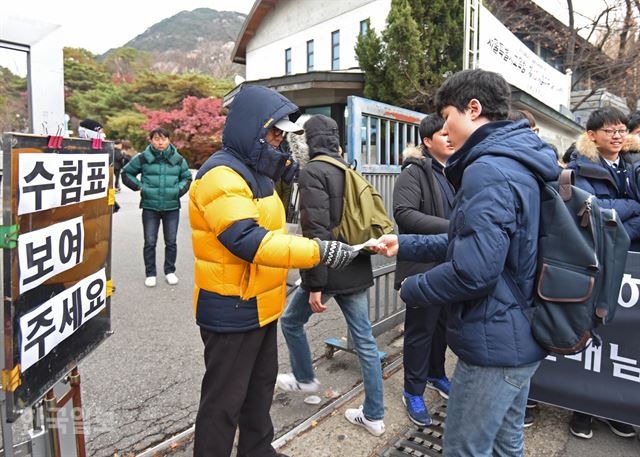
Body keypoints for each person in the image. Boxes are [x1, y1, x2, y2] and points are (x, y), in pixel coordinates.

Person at [374, 69, 560, 457]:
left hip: (494, 342)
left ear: (472, 109)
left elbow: (473, 271)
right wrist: (406, 244)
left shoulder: (487, 169)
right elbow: (476, 243)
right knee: (508, 443)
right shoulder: (517, 159)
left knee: (464, 448)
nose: (446, 128)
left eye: (447, 116)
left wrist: (414, 288)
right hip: (521, 331)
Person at [188, 85, 358, 457]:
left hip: (261, 303)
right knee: (223, 403)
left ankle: (258, 450)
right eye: (274, 133)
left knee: (259, 387)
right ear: (251, 127)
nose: (279, 142)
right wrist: (318, 251)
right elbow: (250, 240)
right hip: (232, 305)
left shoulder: (256, 172)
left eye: (282, 135)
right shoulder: (222, 175)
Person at [276, 114, 386, 437]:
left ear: (309, 141)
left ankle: (306, 378)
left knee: (290, 321)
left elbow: (316, 235)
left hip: (328, 268)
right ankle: (375, 416)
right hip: (355, 265)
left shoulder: (313, 172)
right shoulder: (347, 168)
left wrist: (315, 284)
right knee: (365, 341)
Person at [566, 107, 640, 439]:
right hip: (593, 259)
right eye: (609, 129)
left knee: (619, 338)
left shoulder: (631, 166)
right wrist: (633, 206)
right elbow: (593, 211)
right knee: (589, 329)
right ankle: (581, 409)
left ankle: (610, 408)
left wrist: (623, 216)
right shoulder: (581, 166)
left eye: (622, 129)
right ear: (592, 135)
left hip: (625, 261)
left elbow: (616, 216)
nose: (617, 135)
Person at [392, 114, 455, 427]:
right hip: (421, 267)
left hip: (449, 266)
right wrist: (454, 228)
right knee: (420, 331)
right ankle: (412, 390)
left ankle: (436, 374)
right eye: (443, 134)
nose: (450, 138)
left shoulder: (453, 172)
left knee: (442, 326)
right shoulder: (414, 172)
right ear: (428, 141)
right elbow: (404, 215)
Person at [122, 128, 192, 287]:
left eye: (164, 139)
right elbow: (126, 173)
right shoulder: (142, 158)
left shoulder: (178, 159)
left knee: (171, 242)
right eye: (156, 139)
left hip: (172, 207)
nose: (160, 142)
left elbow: (187, 178)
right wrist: (140, 187)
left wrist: (177, 191)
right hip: (150, 207)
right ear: (151, 140)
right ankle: (150, 273)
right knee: (150, 242)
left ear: (169, 140)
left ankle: (170, 271)